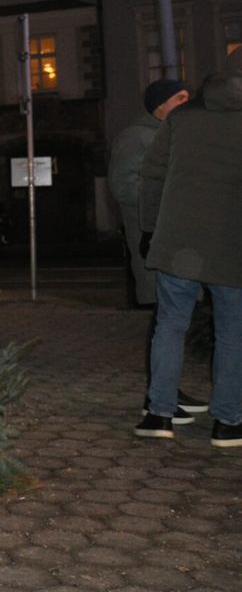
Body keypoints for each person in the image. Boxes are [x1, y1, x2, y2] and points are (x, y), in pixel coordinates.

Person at [133, 56, 242, 448]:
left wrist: (150, 228)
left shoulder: (182, 117)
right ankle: (228, 422)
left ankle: (159, 414)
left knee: (170, 323)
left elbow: (152, 174)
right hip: (232, 242)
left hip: (179, 240)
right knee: (233, 332)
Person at [108, 78, 206, 424]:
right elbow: (125, 187)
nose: (186, 103)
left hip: (175, 242)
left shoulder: (170, 135)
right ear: (159, 105)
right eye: (180, 98)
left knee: (171, 319)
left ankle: (167, 390)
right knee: (164, 320)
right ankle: (158, 397)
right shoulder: (137, 138)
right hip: (152, 243)